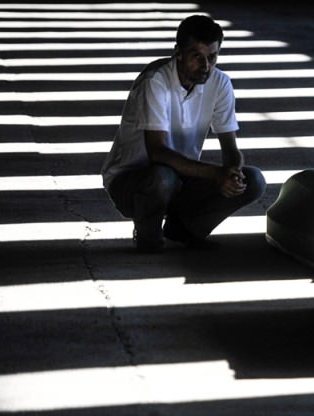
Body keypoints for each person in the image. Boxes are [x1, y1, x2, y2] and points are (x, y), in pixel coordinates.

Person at [101, 14, 266, 252]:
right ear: (178, 52)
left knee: (253, 181)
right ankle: (149, 237)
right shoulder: (155, 81)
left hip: (181, 178)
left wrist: (232, 172)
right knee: (162, 177)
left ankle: (183, 229)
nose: (206, 66)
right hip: (133, 182)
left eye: (212, 57)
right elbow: (157, 152)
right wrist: (215, 174)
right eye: (197, 57)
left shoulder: (219, 83)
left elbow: (230, 148)